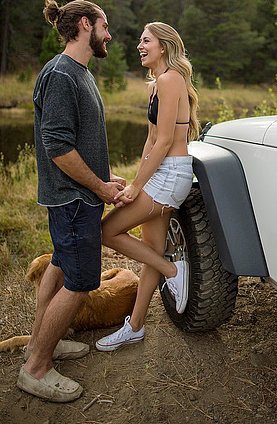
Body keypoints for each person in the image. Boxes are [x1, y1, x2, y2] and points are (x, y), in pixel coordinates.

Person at [17, 0, 126, 403]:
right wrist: (98, 188)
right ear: (85, 24)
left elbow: (79, 141)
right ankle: (36, 368)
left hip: (78, 195)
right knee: (80, 282)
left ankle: (39, 342)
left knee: (61, 266)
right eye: (105, 26)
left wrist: (103, 177)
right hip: (73, 200)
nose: (109, 35)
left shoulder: (78, 72)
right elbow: (58, 146)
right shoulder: (62, 74)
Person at [95, 22, 199, 352]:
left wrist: (138, 188)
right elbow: (151, 139)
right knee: (151, 251)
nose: (140, 45)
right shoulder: (156, 84)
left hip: (172, 174)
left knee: (108, 232)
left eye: (146, 40)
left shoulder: (171, 80)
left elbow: (167, 140)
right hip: (159, 173)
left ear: (164, 47)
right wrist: (136, 180)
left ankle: (173, 270)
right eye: (140, 40)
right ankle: (135, 327)